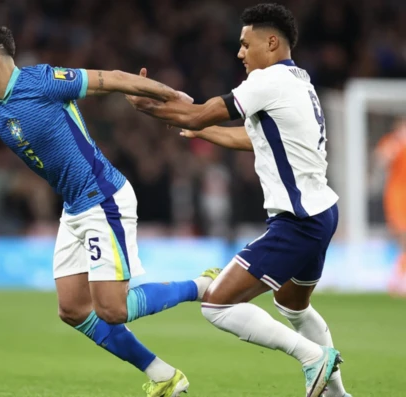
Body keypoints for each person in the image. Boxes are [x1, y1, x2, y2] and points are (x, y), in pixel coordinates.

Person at [0, 23, 219, 397]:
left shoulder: (42, 81)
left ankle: (202, 286)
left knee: (113, 310)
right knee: (72, 309)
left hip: (103, 197)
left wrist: (179, 99)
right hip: (75, 207)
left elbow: (115, 79)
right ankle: (163, 375)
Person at [126, 4, 351, 397]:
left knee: (216, 304)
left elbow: (201, 114)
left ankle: (312, 357)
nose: (240, 53)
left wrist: (152, 104)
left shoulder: (268, 81)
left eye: (246, 44)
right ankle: (337, 394)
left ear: (272, 42)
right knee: (293, 305)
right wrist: (200, 131)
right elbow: (252, 140)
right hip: (322, 212)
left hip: (296, 221)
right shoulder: (299, 80)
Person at [373, 119, 406, 296]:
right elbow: (381, 160)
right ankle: (397, 280)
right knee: (402, 238)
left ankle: (397, 280)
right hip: (398, 196)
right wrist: (396, 143)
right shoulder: (392, 142)